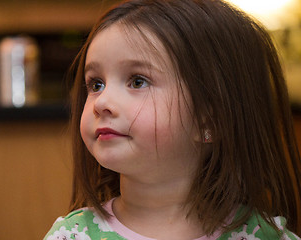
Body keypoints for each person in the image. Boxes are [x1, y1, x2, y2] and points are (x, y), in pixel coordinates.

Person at [44, 0, 301, 239]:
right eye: (96, 84)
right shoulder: (71, 235)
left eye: (137, 81)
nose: (101, 103)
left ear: (210, 121)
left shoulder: (263, 235)